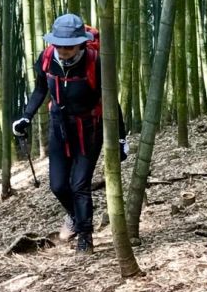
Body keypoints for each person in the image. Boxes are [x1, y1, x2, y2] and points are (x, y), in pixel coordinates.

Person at [12, 13, 127, 254]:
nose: (63, 51)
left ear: (82, 43)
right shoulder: (45, 58)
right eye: (59, 45)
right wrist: (26, 116)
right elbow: (40, 89)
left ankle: (85, 237)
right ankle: (75, 216)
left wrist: (121, 137)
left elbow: (110, 100)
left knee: (79, 185)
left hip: (90, 128)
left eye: (69, 47)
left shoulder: (96, 61)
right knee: (58, 185)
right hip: (59, 127)